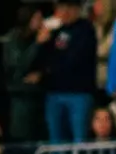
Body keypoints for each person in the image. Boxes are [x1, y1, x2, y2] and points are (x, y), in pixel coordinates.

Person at [43, 0, 98, 143]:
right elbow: (45, 58)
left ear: (77, 9)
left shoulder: (86, 29)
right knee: (56, 142)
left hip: (79, 94)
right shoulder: (53, 31)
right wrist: (41, 41)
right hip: (54, 93)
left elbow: (75, 58)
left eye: (69, 7)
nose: (65, 11)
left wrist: (51, 67)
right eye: (62, 7)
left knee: (79, 141)